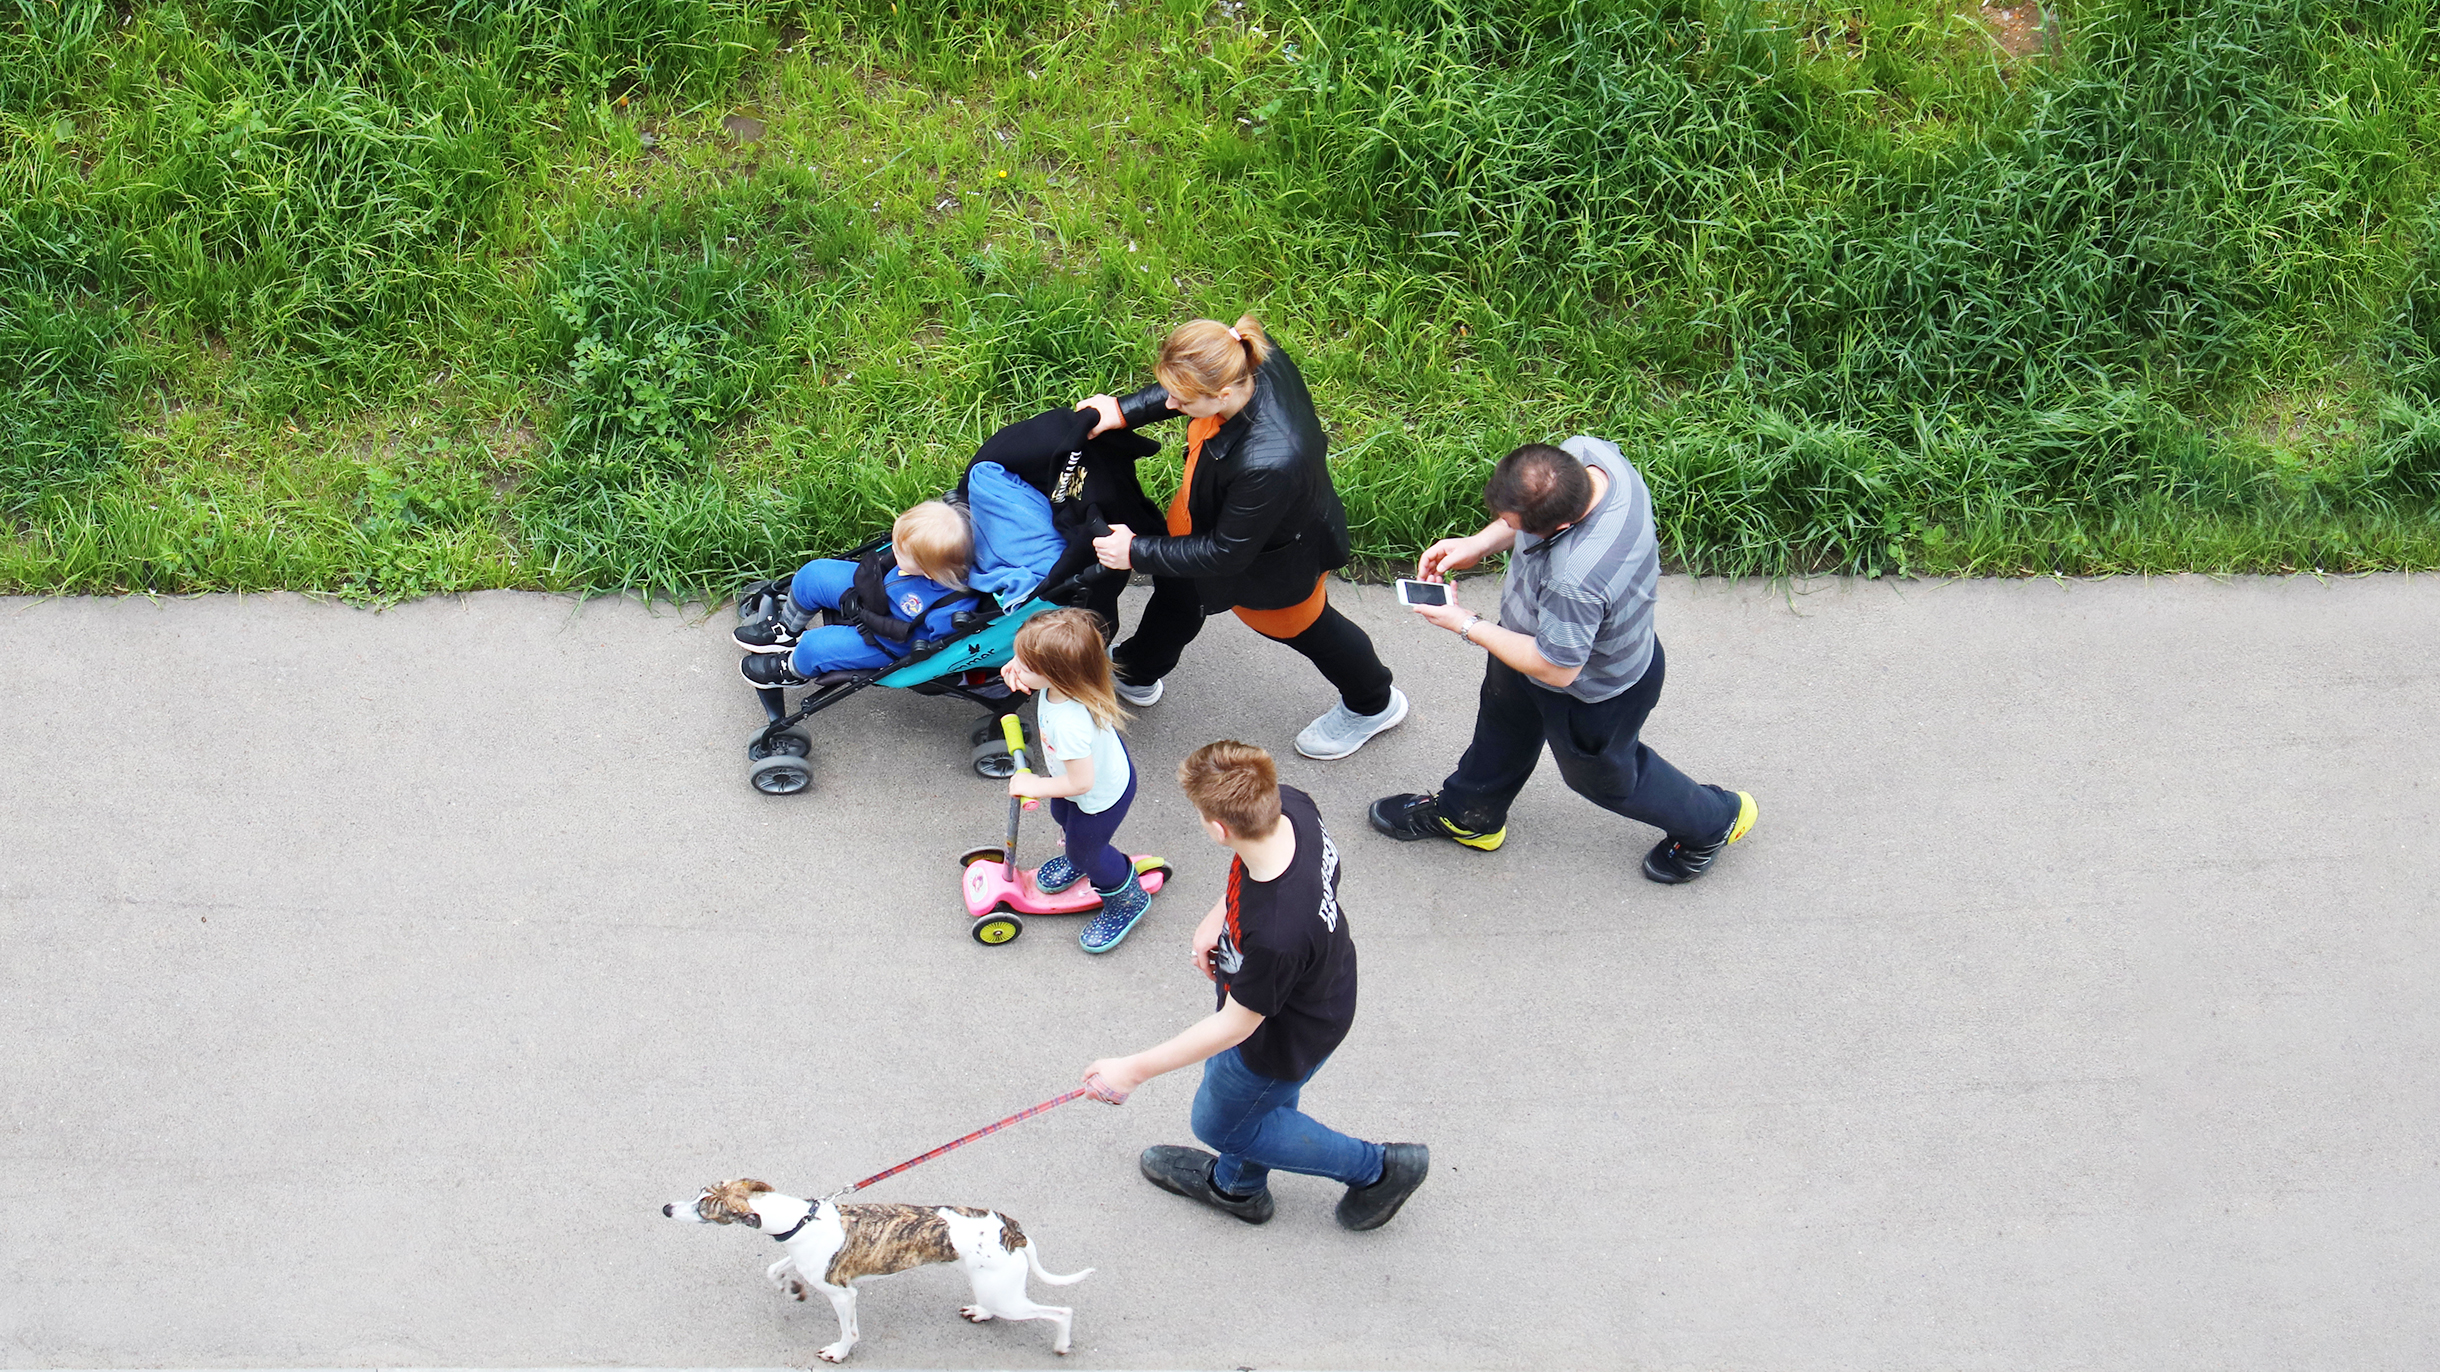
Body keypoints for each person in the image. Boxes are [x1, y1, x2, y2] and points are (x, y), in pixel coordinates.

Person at [1368, 438, 1758, 884]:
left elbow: (1557, 667)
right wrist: (1479, 544)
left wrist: (1464, 623)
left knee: (1606, 779)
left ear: (1560, 527)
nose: (1507, 529)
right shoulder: (1589, 458)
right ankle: (1470, 816)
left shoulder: (1576, 578)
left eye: (1515, 526)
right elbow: (1530, 523)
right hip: (1525, 642)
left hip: (1590, 690)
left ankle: (1715, 821)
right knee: (1503, 726)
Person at [1082, 741, 1428, 1230]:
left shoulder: (1277, 935)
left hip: (1279, 1034)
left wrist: (1131, 1071)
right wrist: (1220, 913)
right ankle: (1237, 1187)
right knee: (1261, 1109)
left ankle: (1377, 1169)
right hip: (1324, 990)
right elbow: (1288, 874)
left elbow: (1235, 1027)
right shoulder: (1291, 805)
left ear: (1219, 829)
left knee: (1220, 1122)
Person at [1075, 316, 1410, 760]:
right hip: (1207, 524)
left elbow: (1225, 552)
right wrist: (1124, 410)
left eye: (1181, 398)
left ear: (1224, 395)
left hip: (1269, 565)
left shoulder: (1268, 461)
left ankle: (1374, 703)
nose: (1170, 402)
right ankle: (1137, 672)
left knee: (1309, 630)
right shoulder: (1240, 355)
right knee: (1180, 595)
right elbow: (1190, 387)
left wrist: (1134, 551)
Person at [1000, 608, 1153, 953]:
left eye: (1024, 664)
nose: (1014, 665)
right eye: (1017, 656)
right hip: (1079, 781)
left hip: (1098, 795)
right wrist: (1018, 667)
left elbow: (1082, 783)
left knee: (1088, 851)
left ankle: (1127, 900)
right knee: (1062, 817)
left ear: (1056, 674)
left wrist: (1035, 785)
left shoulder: (1070, 723)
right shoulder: (1068, 684)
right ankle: (1076, 858)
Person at [737, 500, 978, 688]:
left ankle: (791, 670)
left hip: (886, 640)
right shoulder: (919, 563)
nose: (893, 549)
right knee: (813, 575)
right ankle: (786, 629)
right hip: (874, 590)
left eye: (899, 550)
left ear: (928, 572)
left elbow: (938, 652)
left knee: (815, 647)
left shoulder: (949, 609)